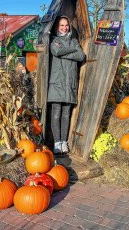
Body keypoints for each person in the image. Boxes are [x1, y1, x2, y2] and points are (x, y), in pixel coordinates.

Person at [47, 16, 86, 155]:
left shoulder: (74, 41)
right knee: (56, 114)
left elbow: (81, 56)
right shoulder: (53, 40)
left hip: (70, 83)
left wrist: (65, 51)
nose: (64, 28)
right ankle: (57, 142)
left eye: (66, 25)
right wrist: (71, 50)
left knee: (66, 115)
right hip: (57, 83)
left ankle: (64, 142)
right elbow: (56, 51)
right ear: (57, 27)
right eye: (62, 25)